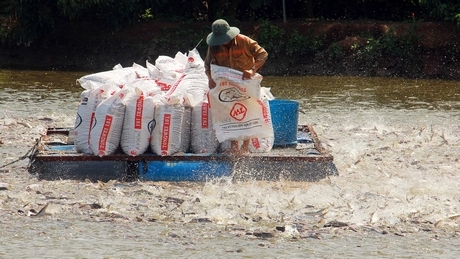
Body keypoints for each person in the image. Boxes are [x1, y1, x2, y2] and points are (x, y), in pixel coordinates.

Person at [204, 19, 268, 156]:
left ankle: (245, 147)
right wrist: (210, 79)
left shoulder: (244, 41)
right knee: (230, 112)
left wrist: (252, 70)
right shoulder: (213, 47)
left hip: (246, 83)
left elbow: (263, 54)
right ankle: (234, 146)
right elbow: (207, 65)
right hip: (227, 84)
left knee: (248, 112)